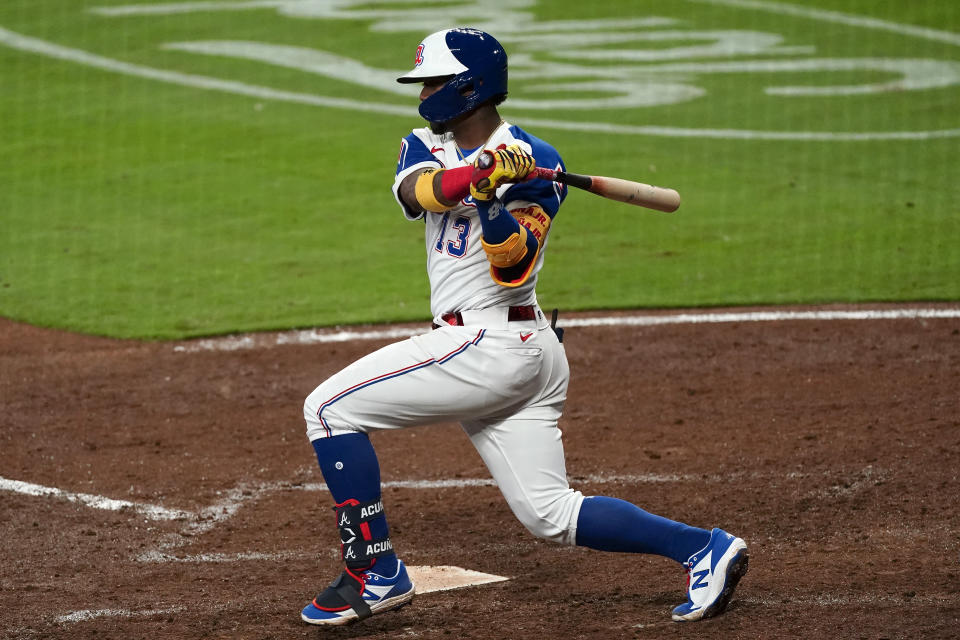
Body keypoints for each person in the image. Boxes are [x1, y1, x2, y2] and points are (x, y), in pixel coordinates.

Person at [299, 27, 748, 627]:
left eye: (433, 81)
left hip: (490, 345)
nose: (424, 93)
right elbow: (421, 191)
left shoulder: (540, 164)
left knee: (329, 409)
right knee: (551, 514)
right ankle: (704, 548)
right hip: (514, 351)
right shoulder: (423, 144)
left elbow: (514, 269)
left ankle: (374, 571)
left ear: (468, 87)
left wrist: (493, 202)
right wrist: (480, 175)